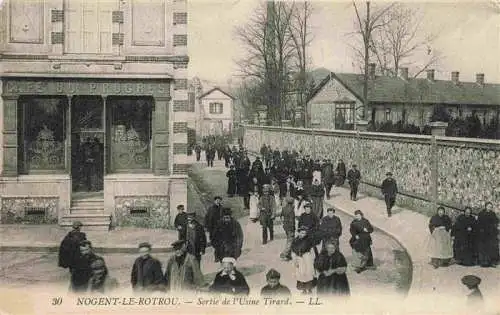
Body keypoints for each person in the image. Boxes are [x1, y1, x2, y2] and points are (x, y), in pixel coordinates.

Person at [291, 226, 318, 294]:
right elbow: (293, 250)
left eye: (304, 233)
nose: (303, 234)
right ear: (299, 233)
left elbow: (314, 250)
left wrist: (315, 258)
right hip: (299, 259)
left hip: (307, 259)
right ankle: (303, 289)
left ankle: (309, 288)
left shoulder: (309, 240)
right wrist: (295, 260)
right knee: (301, 275)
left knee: (308, 274)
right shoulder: (295, 240)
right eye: (301, 233)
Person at [476, 201, 499, 267]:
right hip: (483, 233)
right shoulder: (481, 213)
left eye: (491, 207)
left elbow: (496, 221)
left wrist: (494, 227)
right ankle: (483, 262)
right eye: (488, 207)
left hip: (491, 234)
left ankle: (491, 262)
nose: (490, 208)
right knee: (483, 248)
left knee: (490, 248)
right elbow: (478, 223)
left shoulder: (493, 214)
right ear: (486, 206)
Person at [280, 197, 296, 261]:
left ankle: (288, 255)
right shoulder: (291, 210)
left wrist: (283, 223)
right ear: (292, 202)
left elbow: (281, 216)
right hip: (290, 227)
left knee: (288, 240)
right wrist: (292, 227)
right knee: (290, 241)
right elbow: (291, 220)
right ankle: (284, 254)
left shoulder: (284, 208)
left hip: (285, 227)